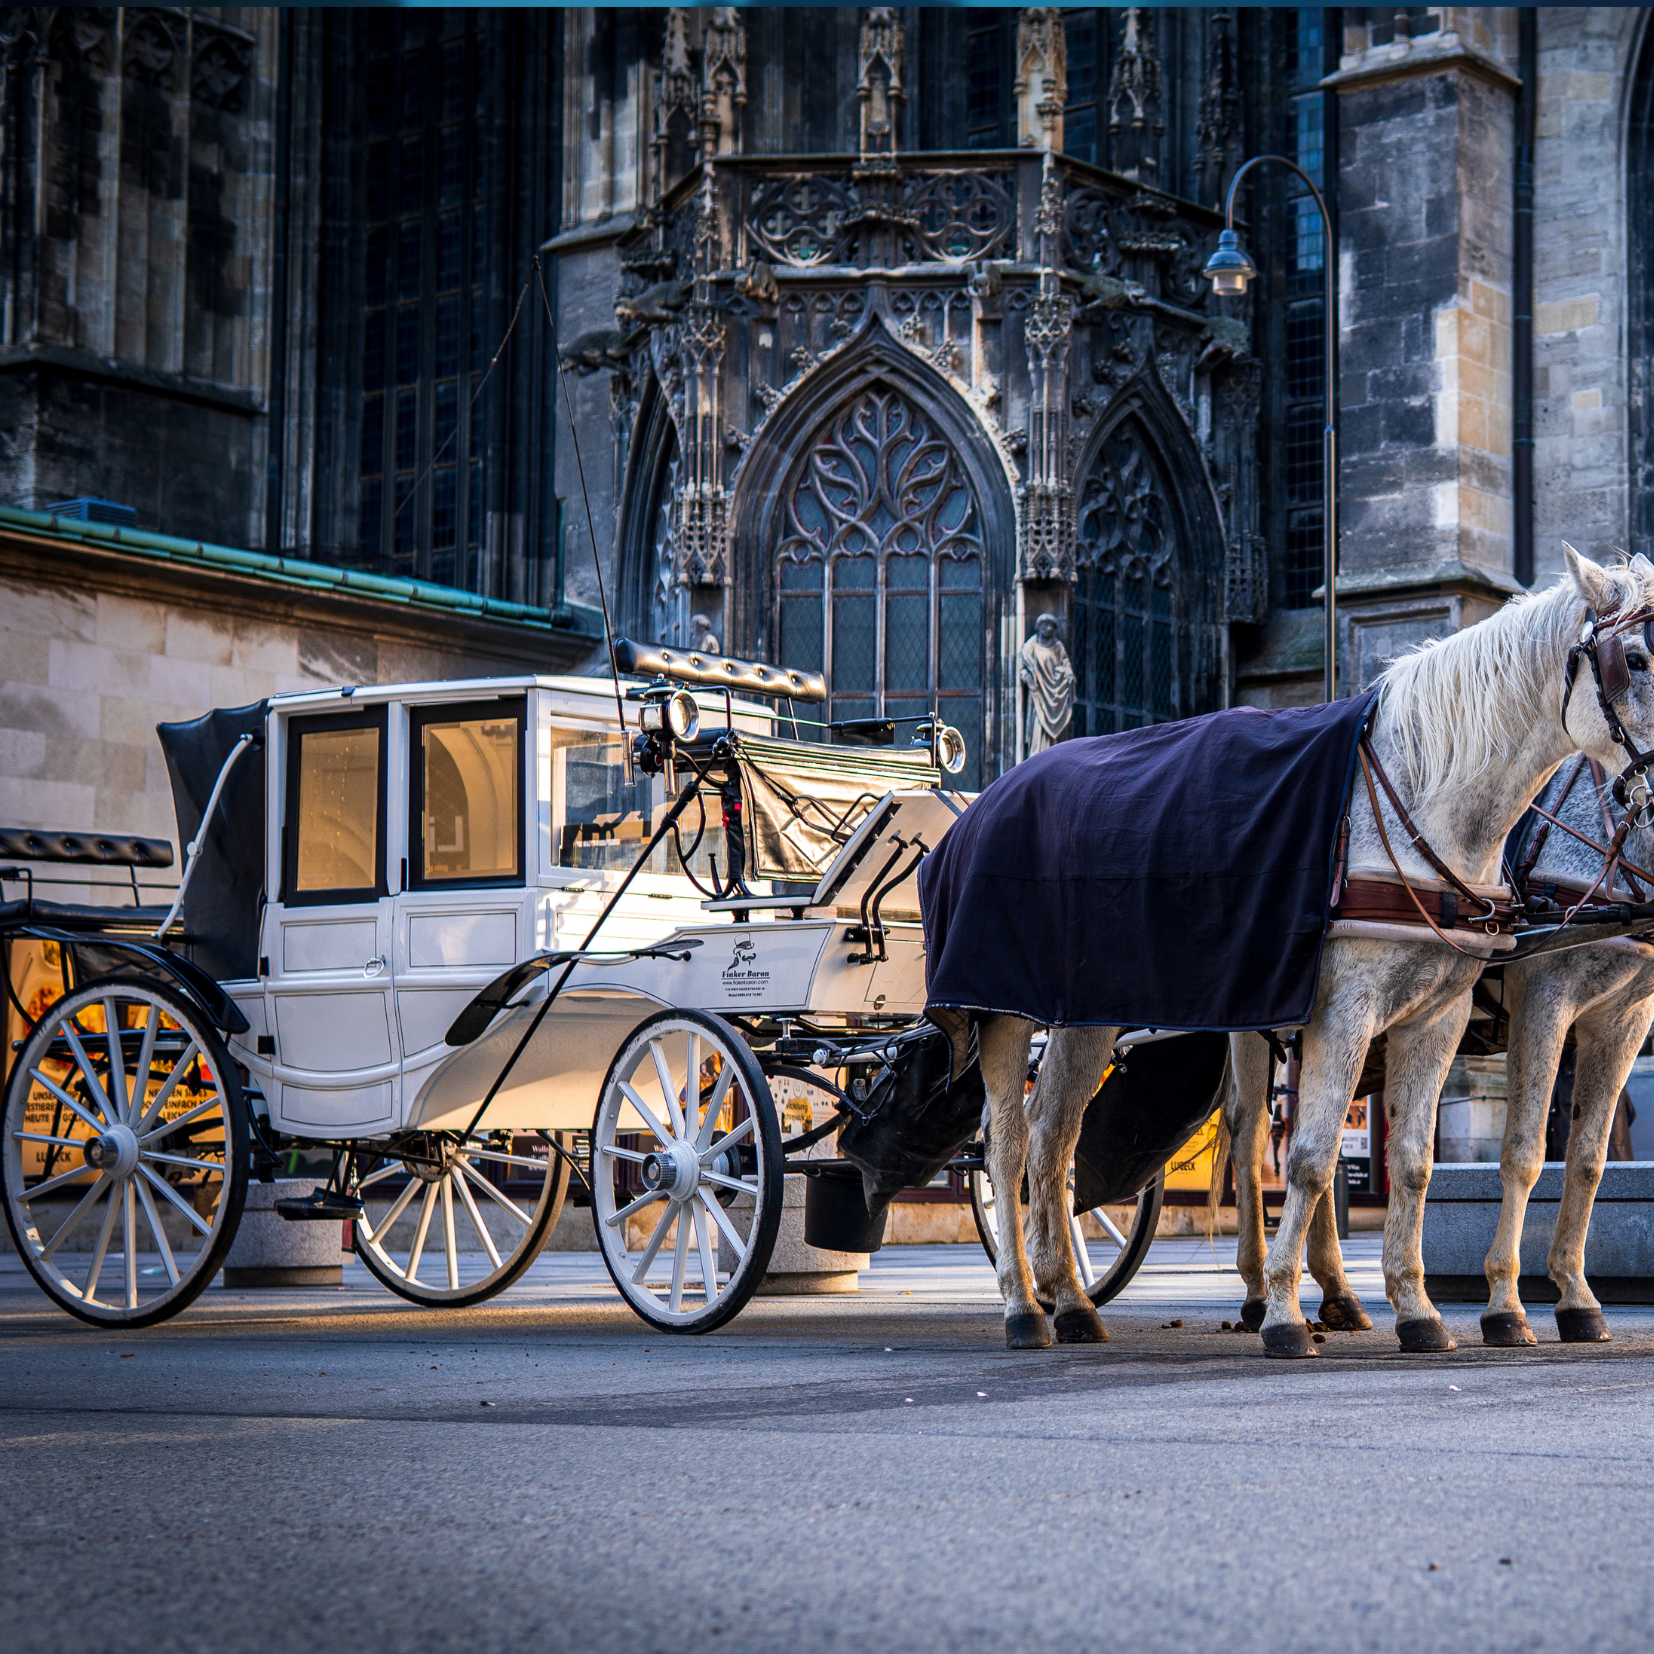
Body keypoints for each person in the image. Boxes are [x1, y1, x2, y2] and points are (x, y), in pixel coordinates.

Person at [1019, 612, 1075, 755]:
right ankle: (1037, 753)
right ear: (1039, 627)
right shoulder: (1030, 646)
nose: (1048, 628)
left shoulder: (1058, 646)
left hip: (1055, 693)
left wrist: (1068, 675)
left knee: (1054, 734)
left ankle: (1051, 754)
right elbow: (1023, 667)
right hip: (1039, 693)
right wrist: (1026, 675)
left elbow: (1065, 664)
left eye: (1051, 625)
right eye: (1045, 625)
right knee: (1038, 726)